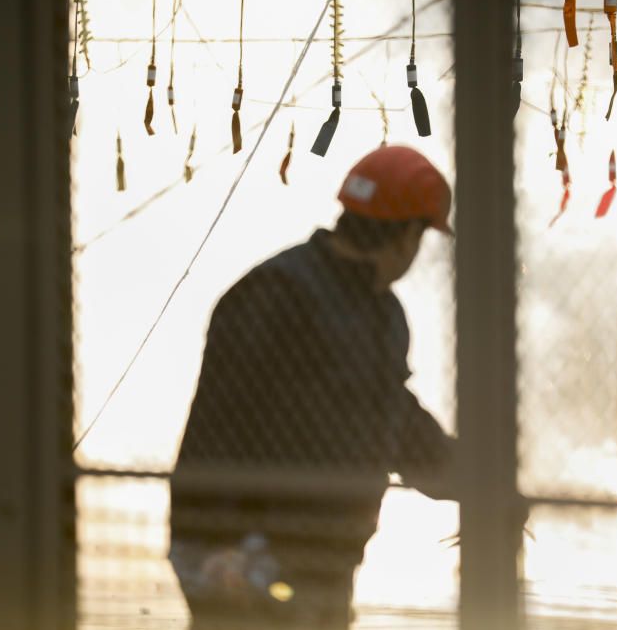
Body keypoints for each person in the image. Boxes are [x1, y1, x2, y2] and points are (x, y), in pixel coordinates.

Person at [170, 145, 456, 629]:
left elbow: (396, 423)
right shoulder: (276, 294)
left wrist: (474, 477)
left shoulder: (379, 313)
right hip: (244, 561)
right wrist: (219, 544)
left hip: (322, 562)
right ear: (408, 235)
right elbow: (221, 425)